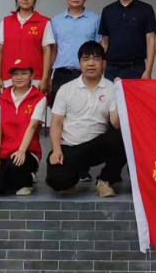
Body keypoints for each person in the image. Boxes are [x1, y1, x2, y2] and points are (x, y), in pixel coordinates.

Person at [47, 41, 126, 198]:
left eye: (96, 59)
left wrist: (120, 93)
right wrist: (56, 150)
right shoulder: (66, 89)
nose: (91, 63)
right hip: (69, 147)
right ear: (79, 63)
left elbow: (116, 124)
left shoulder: (110, 88)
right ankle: (72, 176)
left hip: (97, 147)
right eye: (86, 59)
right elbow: (56, 123)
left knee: (123, 136)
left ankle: (105, 180)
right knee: (58, 182)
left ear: (103, 63)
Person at [0, 58, 48, 196]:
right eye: (15, 74)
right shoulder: (2, 98)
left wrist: (22, 151)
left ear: (31, 75)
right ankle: (17, 180)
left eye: (24, 73)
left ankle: (27, 179)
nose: (19, 77)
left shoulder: (39, 98)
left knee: (14, 163)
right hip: (4, 152)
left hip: (27, 152)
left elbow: (32, 126)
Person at [0, 0, 55, 96]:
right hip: (9, 77)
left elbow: (47, 51)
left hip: (35, 78)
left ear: (35, 0)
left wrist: (45, 77)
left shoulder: (43, 22)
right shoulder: (6, 22)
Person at [99, 0, 156, 81]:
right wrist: (101, 69)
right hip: (111, 69)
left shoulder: (146, 9)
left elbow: (150, 41)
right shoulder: (108, 10)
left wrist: (148, 70)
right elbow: (104, 42)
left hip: (136, 68)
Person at [50, 0, 101, 104]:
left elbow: (100, 49)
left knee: (86, 109)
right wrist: (48, 76)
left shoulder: (95, 20)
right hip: (62, 74)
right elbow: (53, 50)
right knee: (60, 110)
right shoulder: (56, 21)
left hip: (86, 74)